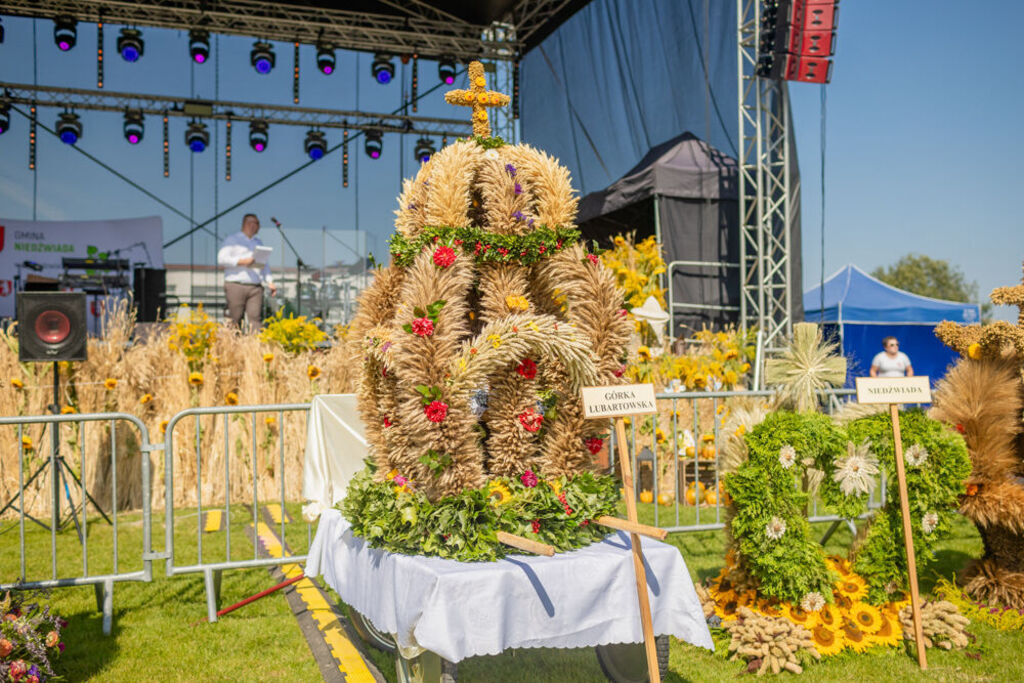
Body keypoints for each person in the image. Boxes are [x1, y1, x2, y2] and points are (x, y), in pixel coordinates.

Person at [217, 214, 277, 330]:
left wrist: (270, 281)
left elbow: (264, 264)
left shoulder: (258, 242)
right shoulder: (233, 240)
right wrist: (241, 261)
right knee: (235, 318)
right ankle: (233, 346)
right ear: (249, 224)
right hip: (236, 284)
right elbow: (221, 259)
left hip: (255, 286)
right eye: (257, 223)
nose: (259, 227)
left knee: (255, 319)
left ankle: (254, 346)